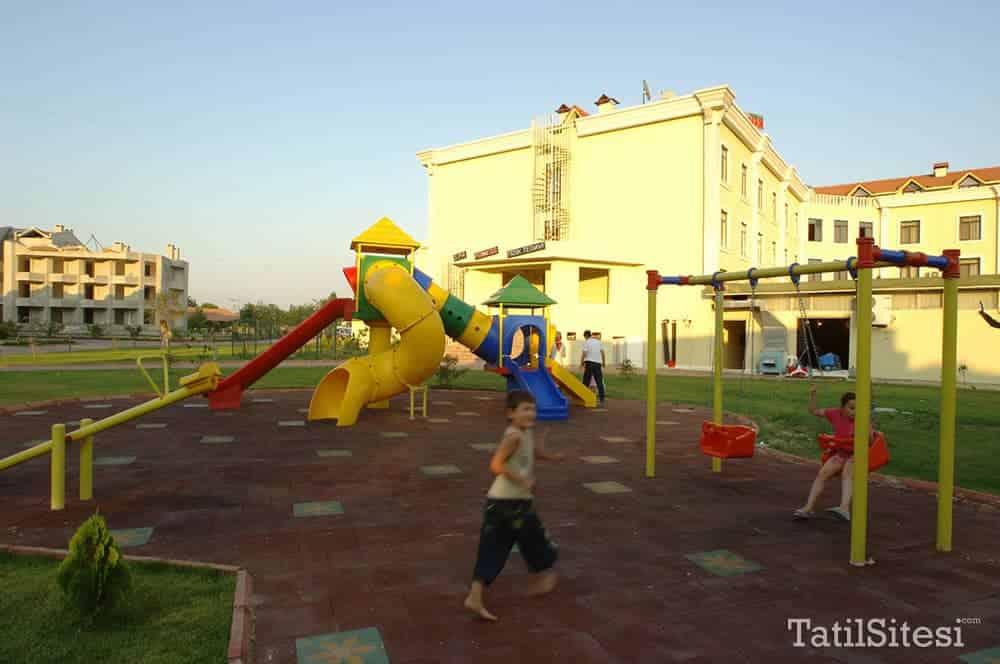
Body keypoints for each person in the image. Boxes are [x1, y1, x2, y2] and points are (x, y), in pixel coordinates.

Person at [464, 389, 565, 621]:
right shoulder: (513, 436)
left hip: (513, 502)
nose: (531, 413)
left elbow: (531, 452)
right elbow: (496, 464)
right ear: (511, 413)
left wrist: (550, 455)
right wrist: (523, 480)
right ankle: (544, 575)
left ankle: (475, 596)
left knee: (503, 545)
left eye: (533, 409)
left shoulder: (525, 431)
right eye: (525, 409)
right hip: (506, 502)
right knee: (528, 539)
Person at [793, 386, 872, 522]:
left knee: (847, 472)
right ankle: (808, 508)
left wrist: (866, 429)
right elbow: (813, 411)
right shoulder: (834, 413)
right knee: (822, 474)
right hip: (841, 452)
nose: (855, 412)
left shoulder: (861, 419)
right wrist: (813, 395)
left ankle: (844, 508)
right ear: (842, 408)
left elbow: (870, 441)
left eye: (858, 408)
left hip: (857, 454)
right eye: (851, 408)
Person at [579, 330, 606, 405]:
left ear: (585, 336)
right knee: (599, 382)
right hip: (598, 364)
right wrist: (603, 363)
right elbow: (603, 353)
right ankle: (602, 400)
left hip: (589, 363)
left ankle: (583, 397)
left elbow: (584, 353)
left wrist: (581, 363)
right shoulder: (598, 342)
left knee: (586, 381)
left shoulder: (586, 342)